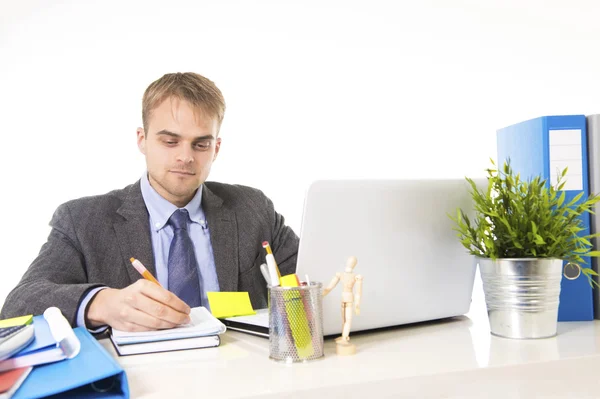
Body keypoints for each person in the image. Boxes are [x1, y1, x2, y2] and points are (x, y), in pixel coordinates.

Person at [0, 72, 299, 332]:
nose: (185, 156)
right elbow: (20, 302)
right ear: (142, 139)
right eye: (170, 141)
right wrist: (101, 303)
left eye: (201, 144)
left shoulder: (252, 208)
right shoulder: (82, 220)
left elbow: (317, 279)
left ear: (216, 147)